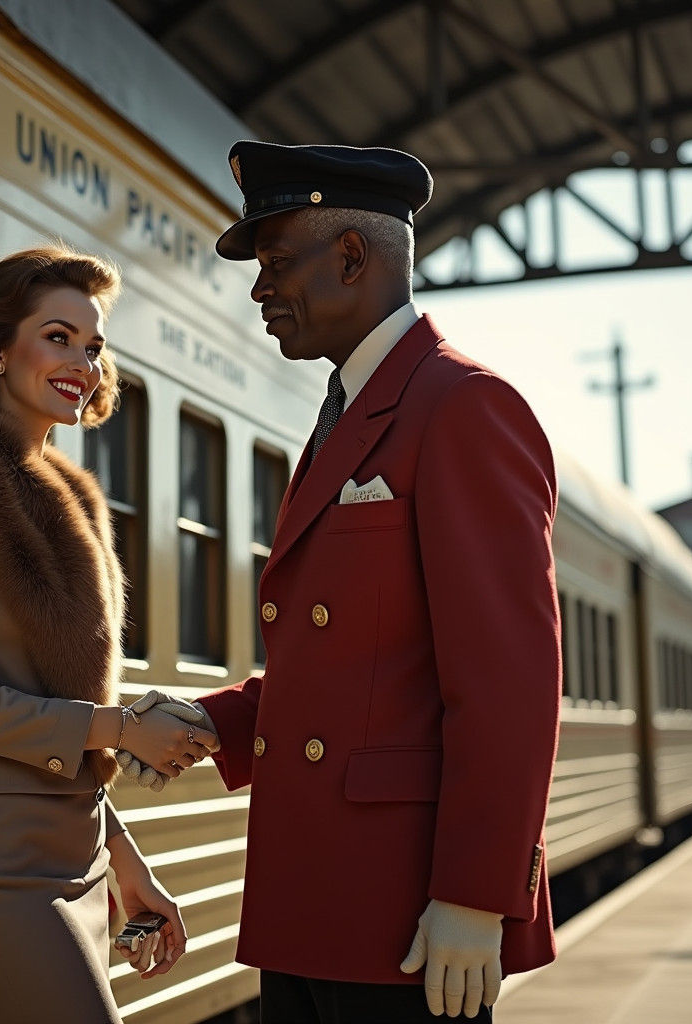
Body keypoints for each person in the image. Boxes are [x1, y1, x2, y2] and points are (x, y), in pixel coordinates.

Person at [185, 142, 561, 1023]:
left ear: (352, 256)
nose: (259, 289)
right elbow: (354, 664)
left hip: (405, 915)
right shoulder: (351, 410)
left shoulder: (462, 405)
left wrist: (475, 894)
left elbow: (507, 680)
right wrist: (212, 722)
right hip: (312, 899)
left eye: (278, 262)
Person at [0, 246, 216, 1024]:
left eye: (93, 347)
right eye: (58, 337)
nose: (83, 364)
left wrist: (125, 862)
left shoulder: (72, 503)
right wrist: (125, 727)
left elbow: (65, 711)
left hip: (80, 856)